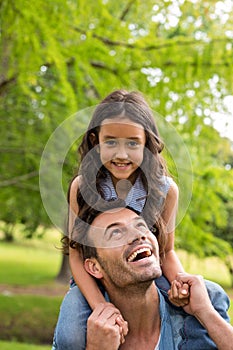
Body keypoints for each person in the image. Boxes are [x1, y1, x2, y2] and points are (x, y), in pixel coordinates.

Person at [52, 89, 229, 349]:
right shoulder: (82, 187)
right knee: (71, 334)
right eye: (110, 142)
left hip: (144, 268)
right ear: (95, 140)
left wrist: (180, 282)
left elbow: (166, 252)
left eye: (132, 143)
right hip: (94, 279)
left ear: (147, 143)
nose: (121, 154)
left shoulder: (165, 191)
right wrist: (102, 306)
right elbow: (77, 256)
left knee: (211, 294)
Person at [56, 206, 232, 350]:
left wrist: (206, 313)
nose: (138, 235)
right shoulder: (81, 330)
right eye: (115, 233)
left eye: (140, 226)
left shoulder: (205, 304)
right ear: (95, 267)